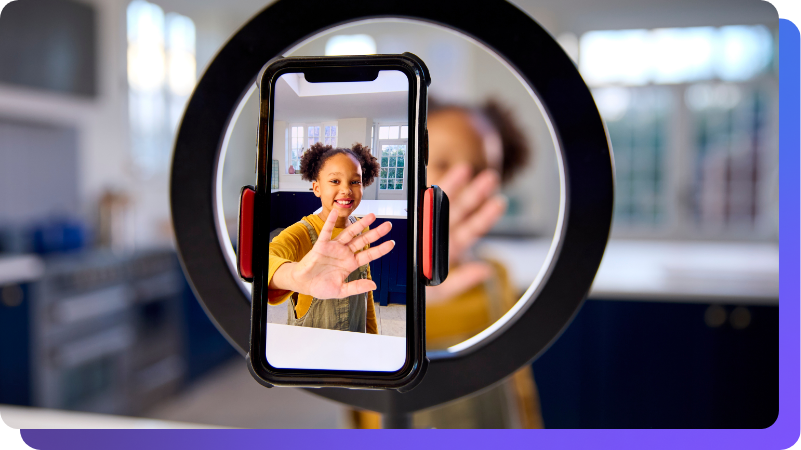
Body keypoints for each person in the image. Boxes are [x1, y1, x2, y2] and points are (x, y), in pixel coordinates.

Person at [350, 99, 543, 428]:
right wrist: (409, 293)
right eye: (441, 162)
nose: (460, 181)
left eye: (480, 171)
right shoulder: (369, 274)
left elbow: (519, 389)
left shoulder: (495, 275)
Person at [267, 142, 394, 334]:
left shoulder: (361, 228)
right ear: (317, 188)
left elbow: (364, 288)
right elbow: (264, 260)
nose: (346, 190)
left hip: (355, 337)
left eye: (355, 181)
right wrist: (296, 276)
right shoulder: (300, 233)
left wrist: (372, 336)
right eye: (335, 181)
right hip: (310, 348)